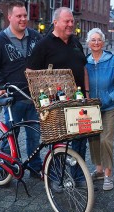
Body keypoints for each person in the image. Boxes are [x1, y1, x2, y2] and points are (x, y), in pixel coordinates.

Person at [27, 7, 89, 184]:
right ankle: (56, 177)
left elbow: (84, 70)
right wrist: (40, 101)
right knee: (58, 141)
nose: (71, 24)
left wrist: (86, 93)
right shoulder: (43, 45)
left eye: (72, 21)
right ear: (56, 22)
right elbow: (30, 72)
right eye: (67, 21)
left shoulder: (76, 42)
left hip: (77, 100)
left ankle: (77, 175)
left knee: (80, 140)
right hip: (55, 103)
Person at [0, 1, 43, 178]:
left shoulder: (35, 37)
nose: (23, 19)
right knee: (10, 135)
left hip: (34, 97)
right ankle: (5, 166)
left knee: (34, 135)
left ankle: (35, 167)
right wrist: (1, 85)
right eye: (19, 16)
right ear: (9, 17)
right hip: (13, 99)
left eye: (25, 15)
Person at [85, 28, 114, 191]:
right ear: (88, 43)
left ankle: (108, 174)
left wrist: (109, 98)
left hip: (109, 106)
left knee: (106, 140)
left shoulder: (112, 60)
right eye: (93, 40)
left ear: (103, 42)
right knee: (93, 139)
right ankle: (99, 170)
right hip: (91, 107)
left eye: (98, 40)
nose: (96, 43)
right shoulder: (85, 62)